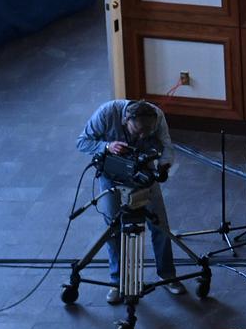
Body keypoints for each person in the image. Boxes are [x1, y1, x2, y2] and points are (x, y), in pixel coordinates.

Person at [76, 99, 195, 300]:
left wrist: (163, 165)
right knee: (113, 227)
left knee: (160, 224)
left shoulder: (156, 116)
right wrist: (107, 146)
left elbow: (166, 145)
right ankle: (118, 281)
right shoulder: (106, 113)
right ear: (124, 120)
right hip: (111, 176)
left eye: (145, 133)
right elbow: (82, 142)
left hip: (144, 174)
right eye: (137, 131)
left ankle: (168, 276)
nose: (141, 136)